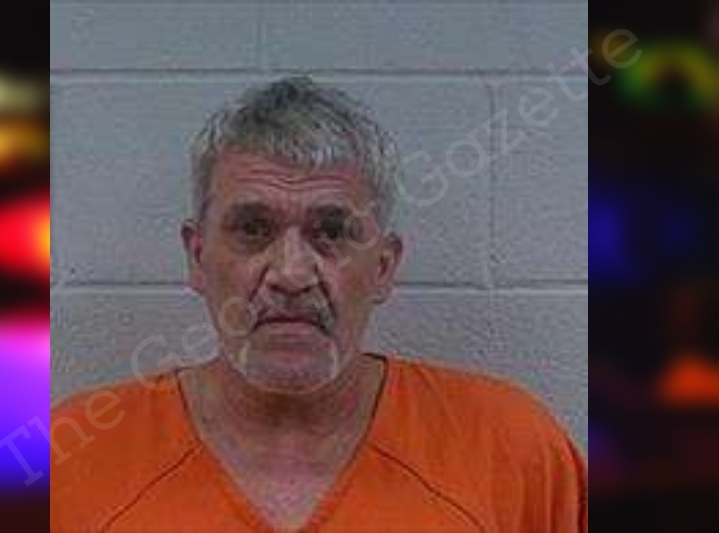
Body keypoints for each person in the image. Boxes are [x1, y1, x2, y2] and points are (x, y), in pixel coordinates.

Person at [50, 76, 587, 532]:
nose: (291, 274)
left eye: (331, 232)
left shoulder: (513, 453)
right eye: (252, 229)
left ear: (383, 266)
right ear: (197, 256)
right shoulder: (71, 462)